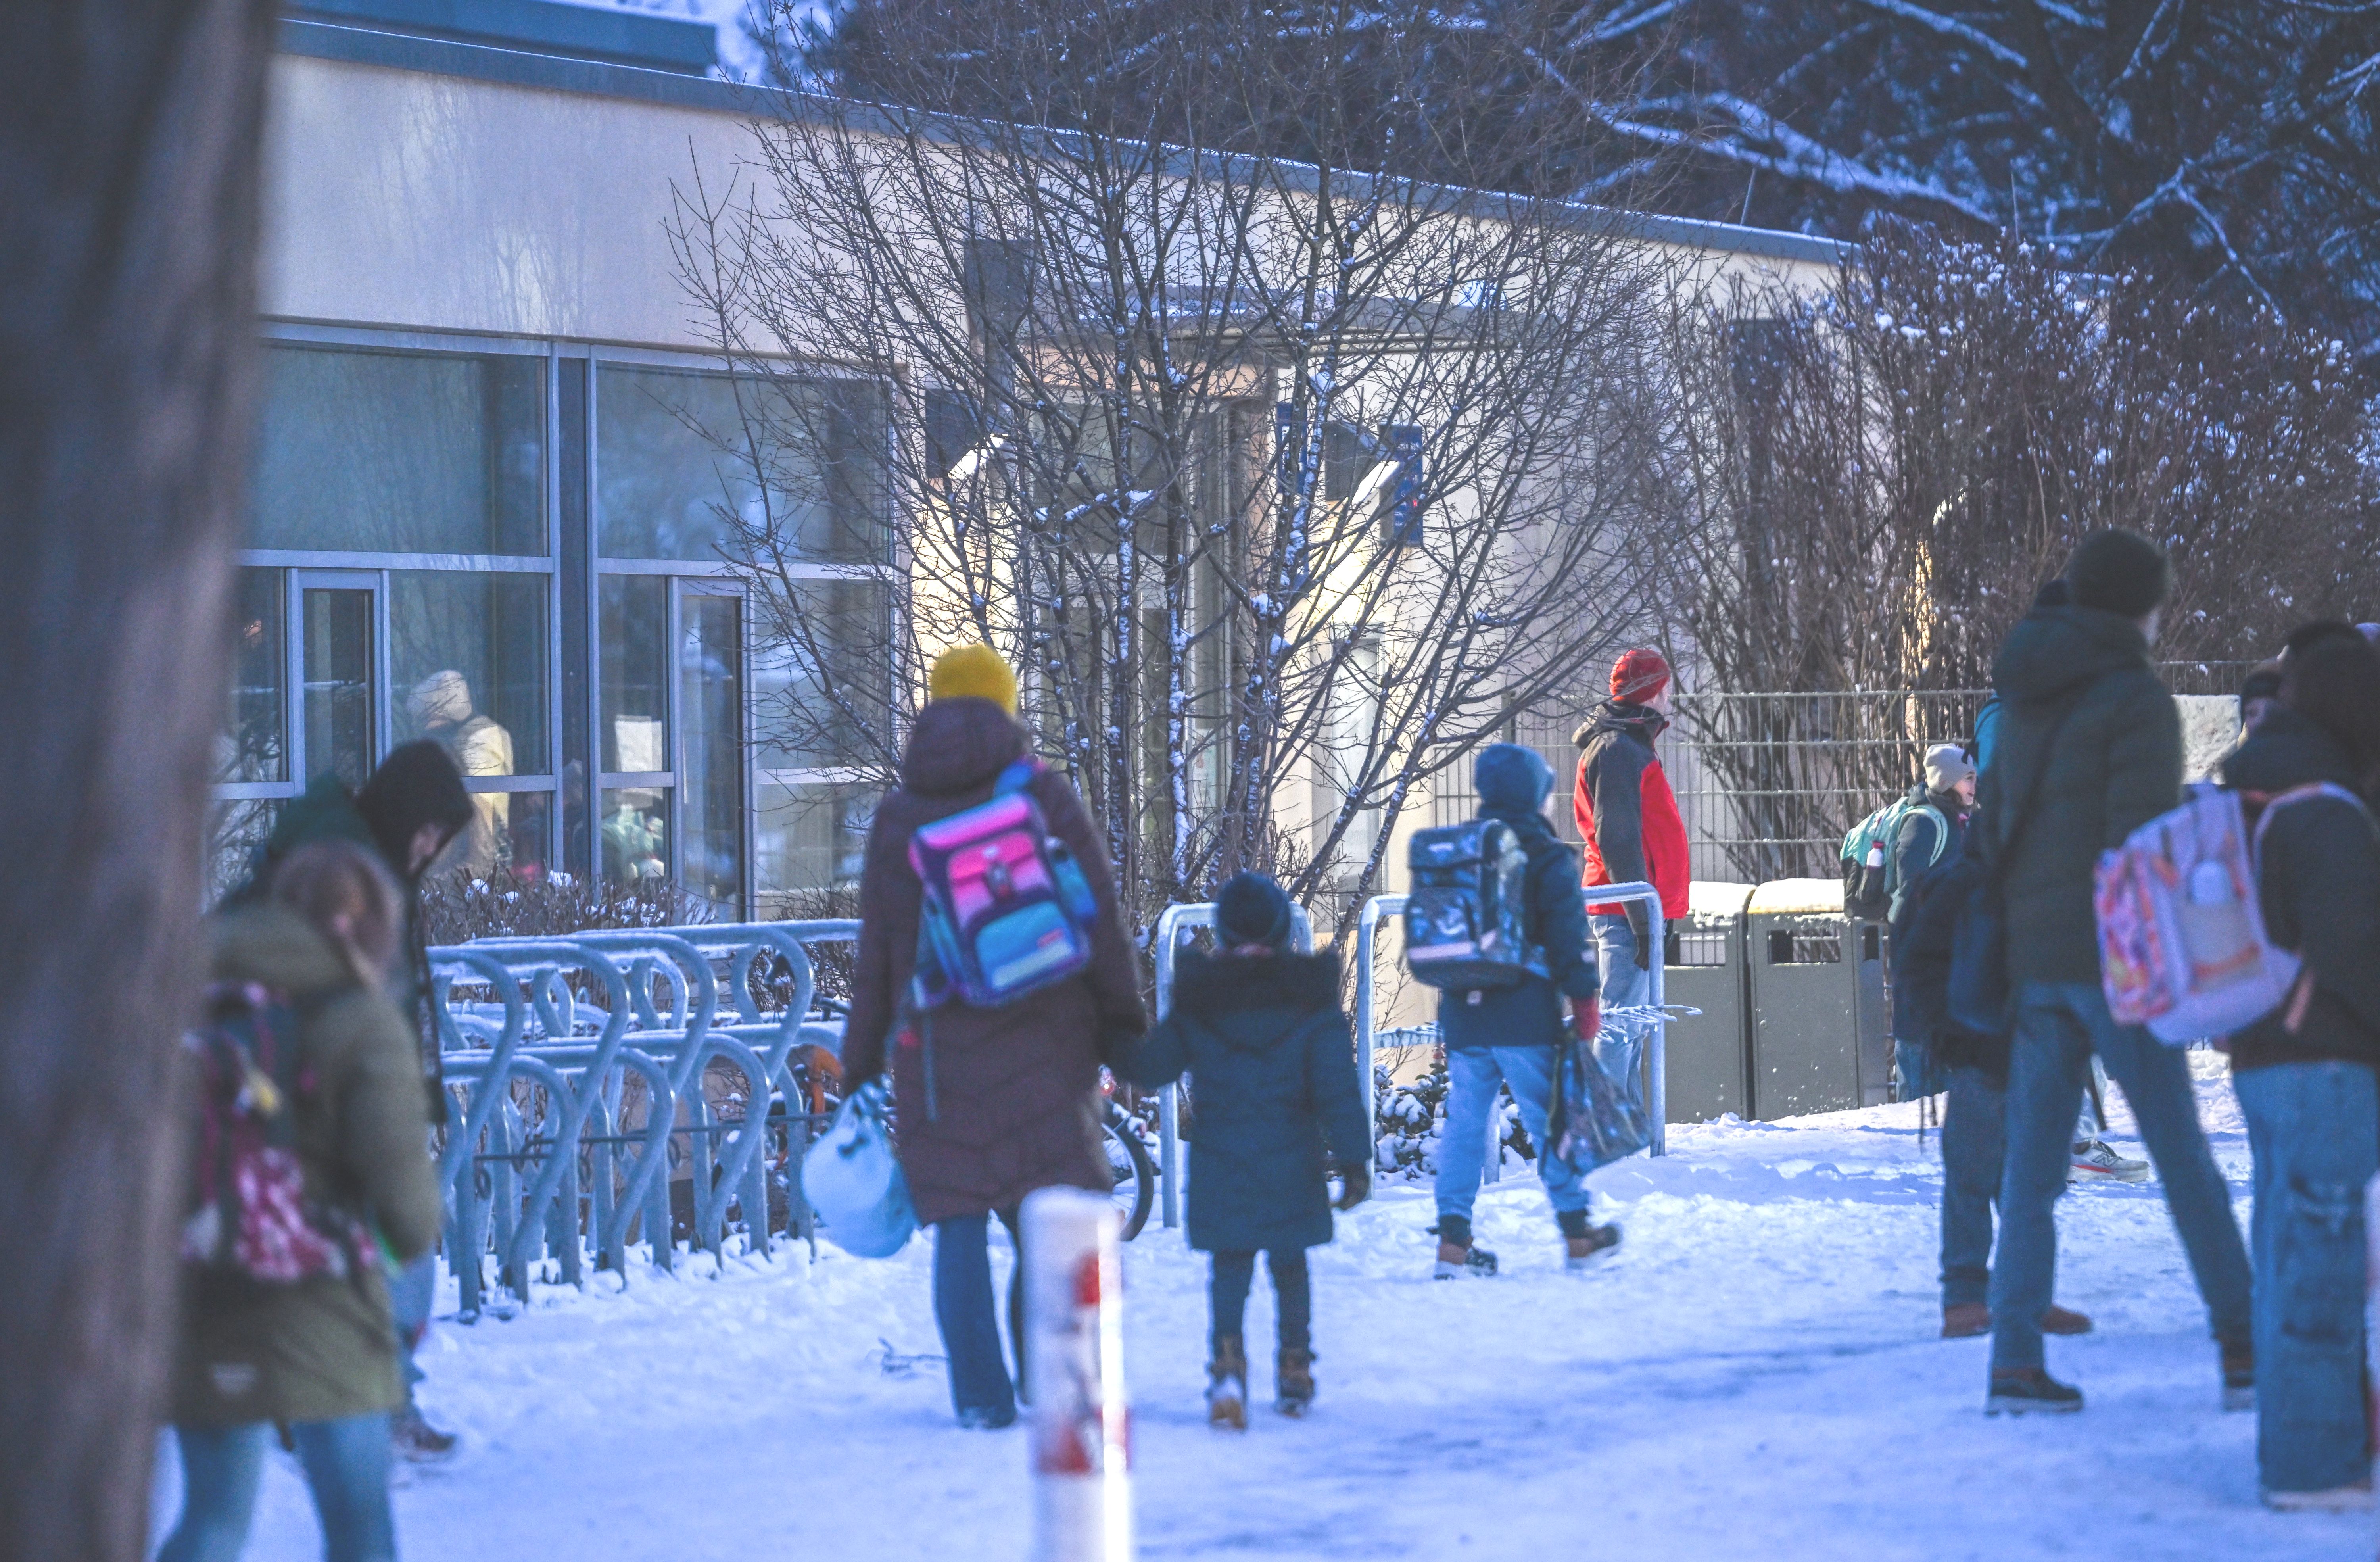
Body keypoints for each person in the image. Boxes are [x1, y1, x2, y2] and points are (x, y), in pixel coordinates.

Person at [1974, 529, 2252, 1415]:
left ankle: (2014, 1362)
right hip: (2118, 965)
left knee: (2031, 1175)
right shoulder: (2135, 697)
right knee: (2182, 1158)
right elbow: (2143, 844)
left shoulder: (2023, 695)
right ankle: (2246, 1347)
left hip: (2036, 962)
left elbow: (1999, 821)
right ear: (2143, 602)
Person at [839, 645, 1148, 1429]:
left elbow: (878, 957)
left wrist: (860, 1063)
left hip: (938, 1056)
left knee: (960, 1224)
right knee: (1047, 1217)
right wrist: (1123, 1023)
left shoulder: (899, 817)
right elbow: (1099, 917)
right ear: (1007, 705)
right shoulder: (1041, 793)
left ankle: (981, 1398)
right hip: (1049, 1039)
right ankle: (1045, 1374)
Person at [159, 842, 445, 1562]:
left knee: (212, 1519)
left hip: (201, 1293)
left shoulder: (185, 1001)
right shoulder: (361, 1020)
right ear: (361, 927)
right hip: (328, 1312)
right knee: (358, 1529)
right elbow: (408, 1210)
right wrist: (396, 1249)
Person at [234, 740, 473, 1461]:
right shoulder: (348, 873)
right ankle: (370, 1408)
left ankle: (344, 1404)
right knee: (398, 1251)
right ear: (403, 814)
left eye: (440, 837)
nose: (430, 847)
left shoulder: (348, 858)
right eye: (428, 829)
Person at [2219, 634, 2380, 1510]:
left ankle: (2299, 1446)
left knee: (2290, 1259)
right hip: (2325, 1061)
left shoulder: (2252, 788)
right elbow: (2355, 948)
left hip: (2263, 1051)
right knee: (2323, 1265)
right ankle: (2315, 1467)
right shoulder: (2327, 807)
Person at [1123, 872, 1371, 1427]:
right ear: (1283, 930)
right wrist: (1355, 1162)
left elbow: (1152, 1067)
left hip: (1222, 1159)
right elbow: (1336, 1088)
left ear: (1226, 931)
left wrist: (1112, 1030)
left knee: (1230, 1268)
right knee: (1291, 1266)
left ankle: (1227, 1368)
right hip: (1292, 1158)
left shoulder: (1201, 999)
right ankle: (1295, 1367)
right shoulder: (1310, 998)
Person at [1896, 827, 2094, 1343]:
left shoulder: (2009, 870)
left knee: (2024, 1183)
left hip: (2022, 1051)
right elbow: (1919, 964)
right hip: (1987, 1055)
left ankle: (2015, 1294)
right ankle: (1972, 1298)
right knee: (1981, 1178)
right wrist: (1956, 1035)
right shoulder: (1974, 878)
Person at [1432, 743, 1611, 1278]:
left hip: (1465, 1013)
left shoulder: (1459, 848)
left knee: (1465, 1125)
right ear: (1533, 794)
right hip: (1524, 1014)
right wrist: (1585, 1000)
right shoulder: (1545, 854)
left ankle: (1453, 1246)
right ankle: (1578, 1234)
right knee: (1549, 1122)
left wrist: (1446, 1015)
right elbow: (1568, 937)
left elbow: (1445, 938)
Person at [1572, 648, 1689, 1114]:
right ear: (1654, 692)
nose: (1671, 698)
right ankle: (1606, 1128)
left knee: (1632, 1025)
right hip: (1626, 907)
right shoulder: (1619, 749)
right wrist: (1643, 919)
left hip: (1634, 905)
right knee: (1622, 1024)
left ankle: (1629, 1127)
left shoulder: (1628, 745)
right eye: (1667, 688)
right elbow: (1618, 838)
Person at [406, 671, 514, 877]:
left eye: (428, 717)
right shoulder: (465, 738)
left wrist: (450, 877)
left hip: (474, 864)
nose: (425, 726)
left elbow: (481, 817)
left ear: (444, 711)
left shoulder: (480, 740)